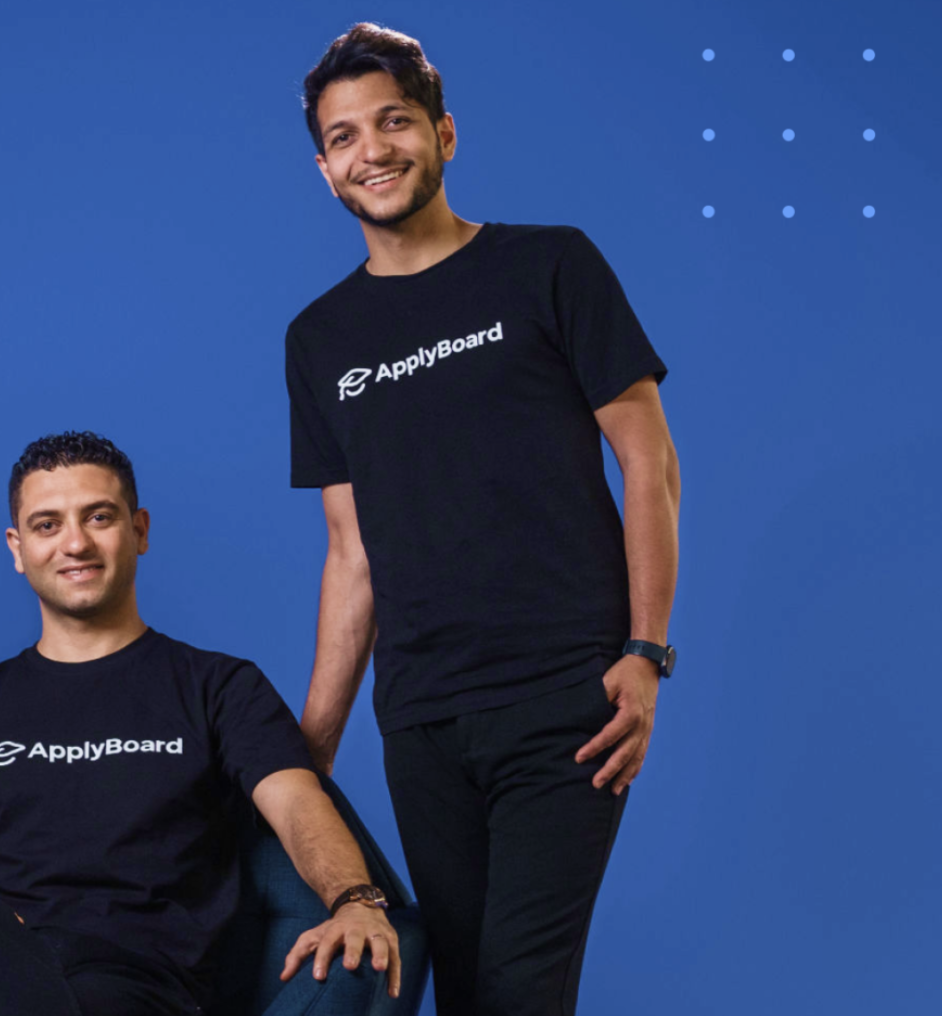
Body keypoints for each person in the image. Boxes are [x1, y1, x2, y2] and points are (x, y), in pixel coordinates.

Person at [283, 24, 682, 1016]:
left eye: (392, 122)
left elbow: (649, 464)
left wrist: (645, 649)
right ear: (323, 168)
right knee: (461, 990)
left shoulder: (548, 266)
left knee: (518, 990)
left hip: (565, 696)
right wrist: (308, 752)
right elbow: (351, 552)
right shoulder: (319, 338)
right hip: (419, 715)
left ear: (444, 133)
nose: (369, 151)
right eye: (341, 137)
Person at [0, 433, 403, 1016]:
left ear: (140, 530)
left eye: (99, 517)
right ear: (17, 548)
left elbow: (296, 802)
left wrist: (356, 901)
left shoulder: (218, 686)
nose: (75, 543)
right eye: (47, 525)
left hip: (137, 986)